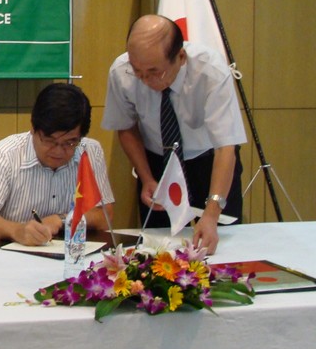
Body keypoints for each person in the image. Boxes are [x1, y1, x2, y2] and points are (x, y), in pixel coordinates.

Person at [101, 14, 245, 254]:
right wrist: (146, 176)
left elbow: (226, 146)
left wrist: (211, 214)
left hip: (208, 161)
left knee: (215, 246)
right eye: (138, 71)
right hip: (157, 163)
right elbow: (125, 127)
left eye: (154, 72)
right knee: (158, 248)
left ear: (180, 57)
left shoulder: (211, 71)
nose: (145, 80)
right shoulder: (121, 71)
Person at [0, 83, 115, 245]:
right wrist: (17, 231)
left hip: (69, 254)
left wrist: (62, 220)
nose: (58, 151)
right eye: (50, 140)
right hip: (13, 254)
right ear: (33, 129)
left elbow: (104, 216)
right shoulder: (4, 155)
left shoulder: (90, 151)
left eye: (70, 143)